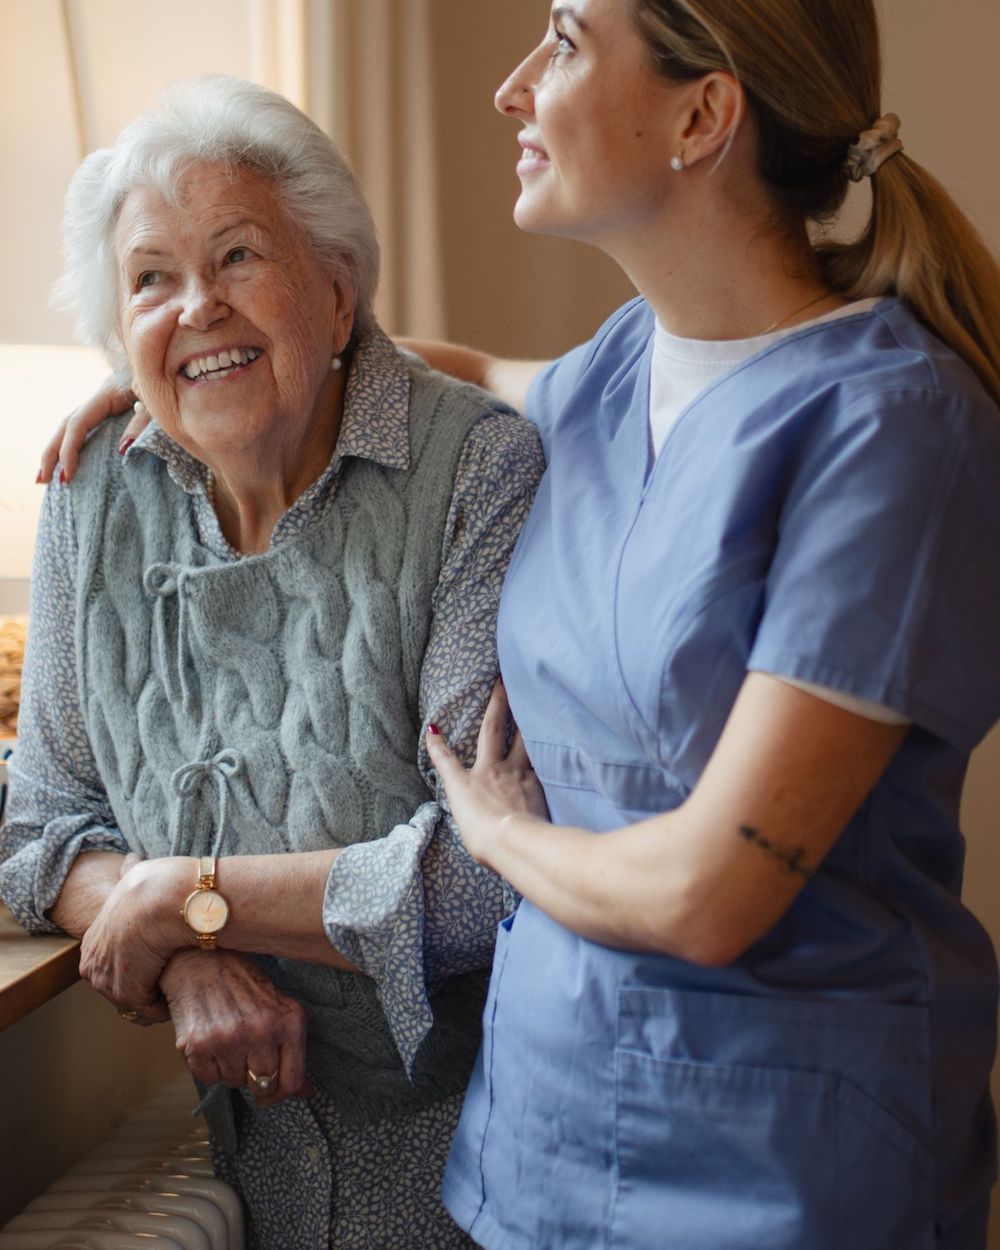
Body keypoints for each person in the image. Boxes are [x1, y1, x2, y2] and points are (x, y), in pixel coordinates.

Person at [33, 3, 1000, 1248]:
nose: (513, 86)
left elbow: (708, 891)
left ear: (702, 116)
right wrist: (184, 351)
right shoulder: (611, 370)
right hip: (540, 1141)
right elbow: (431, 376)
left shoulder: (888, 427)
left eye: (563, 39)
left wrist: (492, 833)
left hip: (781, 1156)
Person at [0, 75, 543, 1250]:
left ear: (337, 291)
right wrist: (192, 946)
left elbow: (486, 872)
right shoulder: (94, 487)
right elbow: (36, 817)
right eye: (151, 278)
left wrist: (175, 894)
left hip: (476, 1162)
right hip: (248, 1160)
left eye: (238, 255)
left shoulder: (473, 473)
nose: (195, 305)